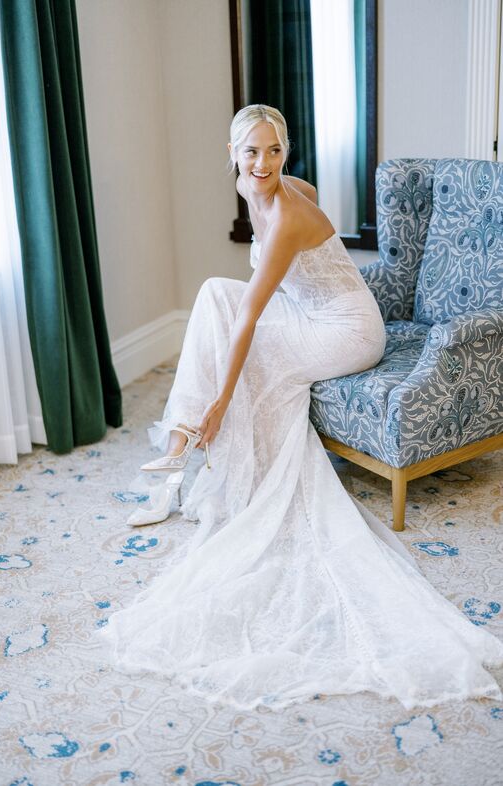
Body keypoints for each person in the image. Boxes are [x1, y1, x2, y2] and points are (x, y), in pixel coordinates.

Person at [96, 105, 503, 711]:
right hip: (309, 311)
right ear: (232, 153)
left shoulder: (288, 210)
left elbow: (251, 318)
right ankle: (181, 443)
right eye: (253, 151)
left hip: (349, 331)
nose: (264, 164)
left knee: (244, 347)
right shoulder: (256, 185)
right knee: (211, 294)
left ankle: (199, 450)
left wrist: (221, 402)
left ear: (287, 151)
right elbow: (252, 295)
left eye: (275, 151)